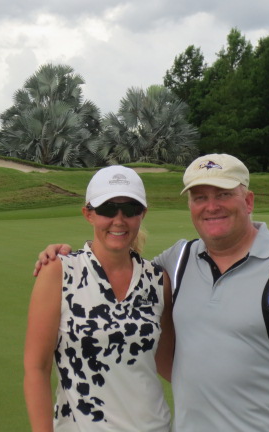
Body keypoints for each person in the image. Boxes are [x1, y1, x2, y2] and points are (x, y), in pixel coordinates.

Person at [35, 154, 269, 432]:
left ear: (248, 201)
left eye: (223, 194)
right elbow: (119, 269)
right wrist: (65, 256)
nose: (211, 206)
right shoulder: (178, 261)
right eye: (200, 197)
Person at [24, 165, 174, 432]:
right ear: (88, 214)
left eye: (130, 209)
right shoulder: (59, 272)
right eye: (107, 209)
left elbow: (166, 362)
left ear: (143, 214)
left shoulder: (157, 280)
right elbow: (37, 368)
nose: (119, 220)